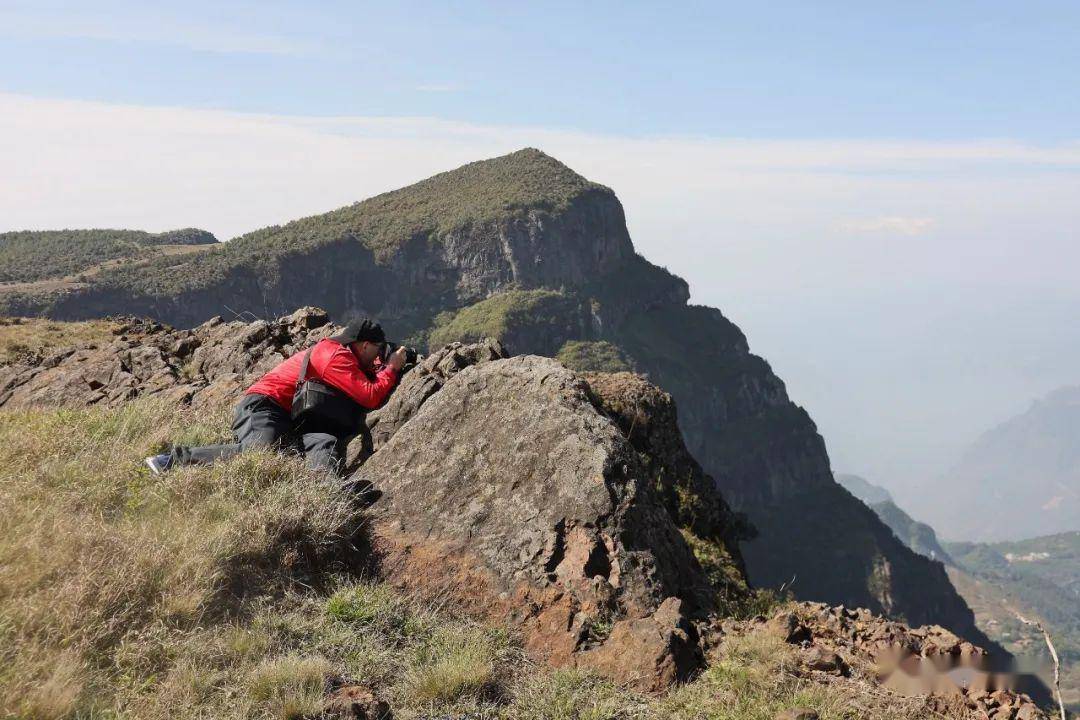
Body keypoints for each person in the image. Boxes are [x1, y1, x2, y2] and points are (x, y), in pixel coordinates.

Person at [144, 318, 406, 477]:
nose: (378, 356)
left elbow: (365, 379)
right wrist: (392, 368)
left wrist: (383, 365)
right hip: (264, 406)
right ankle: (172, 461)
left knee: (323, 441)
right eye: (376, 350)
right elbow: (370, 396)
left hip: (288, 419)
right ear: (363, 345)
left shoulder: (346, 354)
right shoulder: (334, 355)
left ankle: (325, 490)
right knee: (260, 454)